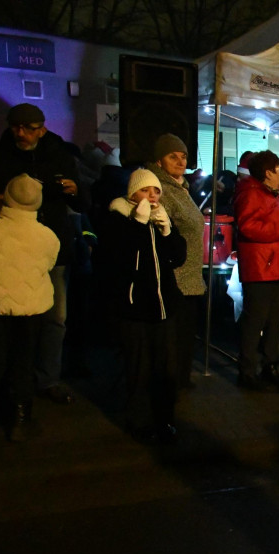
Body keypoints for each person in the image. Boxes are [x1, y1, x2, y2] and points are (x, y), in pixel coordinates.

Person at [0, 103, 84, 405]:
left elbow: (82, 202)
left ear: (42, 128)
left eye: (28, 128)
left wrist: (74, 190)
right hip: (7, 250)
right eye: (16, 128)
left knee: (55, 319)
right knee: (7, 318)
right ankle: (9, 380)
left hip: (51, 250)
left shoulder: (59, 156)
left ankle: (46, 378)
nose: (21, 134)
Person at [99, 169, 187, 442]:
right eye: (145, 191)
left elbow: (178, 257)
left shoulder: (160, 216)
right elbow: (120, 258)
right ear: (132, 194)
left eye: (156, 191)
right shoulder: (118, 218)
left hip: (163, 306)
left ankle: (165, 420)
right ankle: (139, 421)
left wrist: (168, 230)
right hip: (134, 308)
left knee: (165, 369)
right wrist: (138, 224)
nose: (152, 196)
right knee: (139, 368)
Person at [0, 174, 60, 442]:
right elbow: (47, 266)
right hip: (32, 309)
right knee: (23, 361)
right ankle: (21, 421)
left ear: (7, 197)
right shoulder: (48, 237)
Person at [234, 150, 279, 391]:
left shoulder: (274, 195)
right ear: (268, 172)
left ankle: (270, 366)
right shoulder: (251, 194)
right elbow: (249, 227)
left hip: (275, 267)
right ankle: (248, 371)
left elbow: (277, 227)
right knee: (256, 321)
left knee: (274, 321)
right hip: (261, 269)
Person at [149, 134, 206, 390]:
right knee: (172, 337)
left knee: (184, 335)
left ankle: (179, 378)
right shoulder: (159, 190)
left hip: (190, 274)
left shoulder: (181, 188)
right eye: (173, 156)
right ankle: (170, 383)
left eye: (183, 156)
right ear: (159, 160)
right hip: (175, 275)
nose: (180, 161)